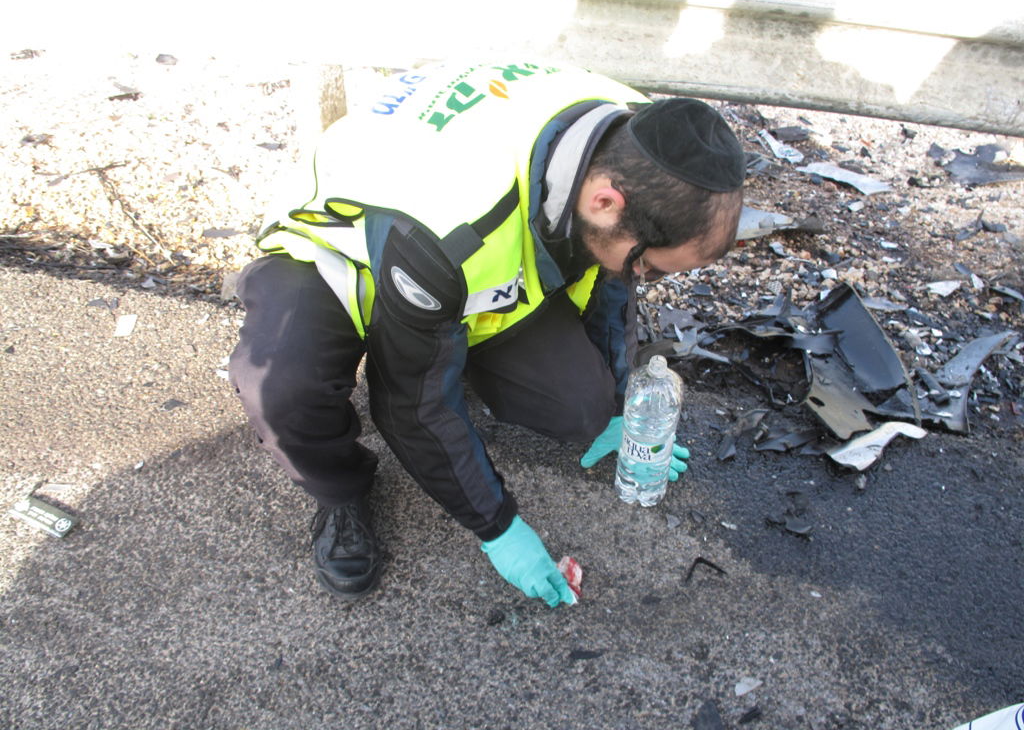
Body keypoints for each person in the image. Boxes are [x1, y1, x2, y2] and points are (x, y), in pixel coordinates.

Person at [229, 59, 746, 608]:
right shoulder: (452, 224)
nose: (649, 279)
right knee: (282, 390)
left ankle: (452, 344)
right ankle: (340, 491)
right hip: (341, 249)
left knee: (581, 406)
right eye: (655, 268)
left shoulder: (634, 140)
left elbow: (610, 282)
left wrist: (619, 405)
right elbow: (410, 406)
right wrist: (498, 527)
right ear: (604, 203)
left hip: (451, 266)